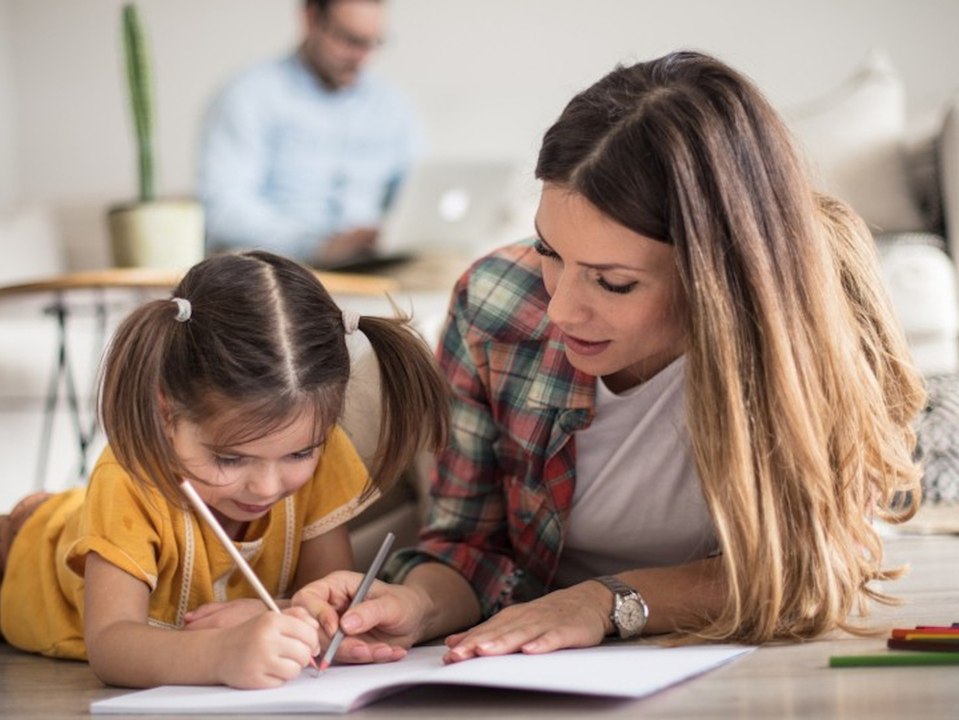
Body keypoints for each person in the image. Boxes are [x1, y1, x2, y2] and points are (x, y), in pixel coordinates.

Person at [289, 50, 926, 666]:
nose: (561, 309)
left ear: (715, 276)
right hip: (545, 658)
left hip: (713, 654)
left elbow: (814, 572)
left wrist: (607, 603)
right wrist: (414, 604)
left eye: (612, 282)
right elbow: (470, 546)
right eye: (548, 250)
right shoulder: (494, 302)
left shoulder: (816, 321)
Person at [0, 250, 448, 689]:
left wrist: (288, 616)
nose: (268, 487)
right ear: (165, 412)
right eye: (230, 458)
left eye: (298, 454)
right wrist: (223, 653)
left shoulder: (325, 458)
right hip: (28, 558)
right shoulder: (128, 478)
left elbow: (320, 598)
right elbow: (112, 645)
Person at [198, 0, 421, 267]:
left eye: (372, 42)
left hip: (373, 269)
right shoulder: (249, 95)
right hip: (281, 272)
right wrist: (316, 246)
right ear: (311, 18)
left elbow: (416, 192)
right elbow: (223, 211)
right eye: (349, 39)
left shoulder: (392, 105)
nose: (361, 56)